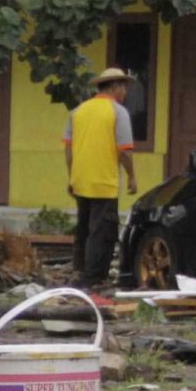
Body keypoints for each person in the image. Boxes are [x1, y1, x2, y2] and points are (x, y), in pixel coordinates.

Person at [63, 66, 138, 290]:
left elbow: (68, 149)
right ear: (115, 86)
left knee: (84, 228)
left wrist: (72, 177)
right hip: (104, 182)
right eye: (123, 87)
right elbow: (124, 150)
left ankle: (80, 270)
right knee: (102, 231)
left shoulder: (78, 112)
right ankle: (94, 278)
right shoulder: (118, 112)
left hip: (81, 180)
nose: (125, 93)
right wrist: (132, 176)